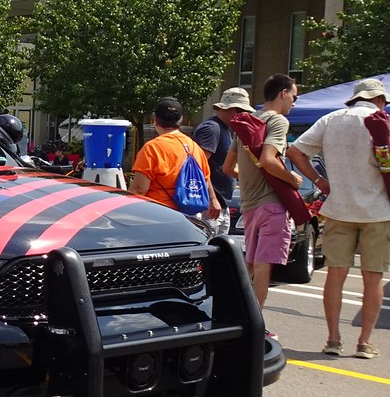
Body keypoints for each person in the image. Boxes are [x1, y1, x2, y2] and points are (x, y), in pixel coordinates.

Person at [287, 77, 390, 359]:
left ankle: (333, 339)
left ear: (354, 98)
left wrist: (319, 180)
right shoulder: (383, 120)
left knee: (336, 274)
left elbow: (295, 150)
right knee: (373, 277)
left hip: (339, 207)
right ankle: (364, 343)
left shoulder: (331, 119)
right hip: (377, 211)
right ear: (379, 100)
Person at [222, 73, 302, 325]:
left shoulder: (247, 122)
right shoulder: (277, 121)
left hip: (249, 205)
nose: (294, 102)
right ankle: (256, 323)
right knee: (265, 266)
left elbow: (227, 168)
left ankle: (240, 315)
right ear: (282, 93)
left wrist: (247, 179)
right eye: (294, 96)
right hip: (272, 206)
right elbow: (268, 159)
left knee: (251, 265)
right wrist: (292, 179)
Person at [129, 98, 220, 219]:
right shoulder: (194, 147)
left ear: (155, 119)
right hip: (190, 217)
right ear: (180, 120)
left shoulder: (152, 148)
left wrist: (123, 209)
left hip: (158, 215)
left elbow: (139, 189)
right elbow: (205, 178)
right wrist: (213, 200)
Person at [192, 87, 253, 234]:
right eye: (242, 111)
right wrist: (212, 199)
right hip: (209, 207)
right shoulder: (212, 128)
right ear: (232, 109)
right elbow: (197, 166)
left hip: (221, 205)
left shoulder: (224, 129)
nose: (245, 116)